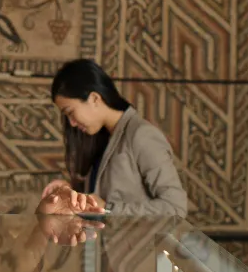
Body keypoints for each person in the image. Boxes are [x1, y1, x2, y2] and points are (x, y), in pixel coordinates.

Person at [45, 58, 187, 217]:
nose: (71, 123)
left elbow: (175, 208)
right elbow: (99, 196)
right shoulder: (102, 138)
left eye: (70, 112)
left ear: (94, 99)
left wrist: (108, 208)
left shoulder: (142, 135)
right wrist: (70, 191)